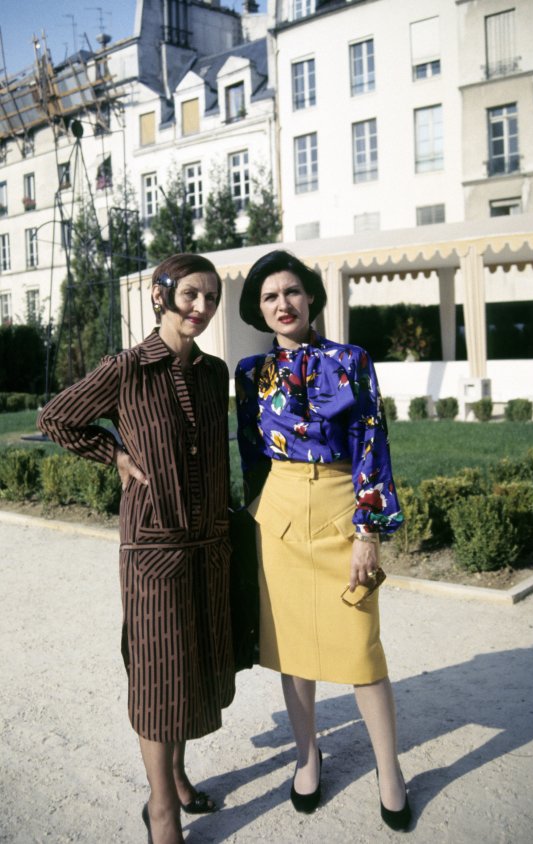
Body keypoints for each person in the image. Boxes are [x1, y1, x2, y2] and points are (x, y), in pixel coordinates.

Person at [39, 253, 234, 844]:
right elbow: (56, 418)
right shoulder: (125, 369)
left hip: (208, 549)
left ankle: (175, 777)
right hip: (152, 550)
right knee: (158, 679)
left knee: (193, 671)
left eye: (211, 298)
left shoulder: (213, 371)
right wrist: (115, 455)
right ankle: (161, 811)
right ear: (160, 295)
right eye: (191, 295)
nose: (201, 307)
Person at [235, 250, 411, 831]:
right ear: (259, 310)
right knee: (293, 653)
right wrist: (256, 512)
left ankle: (390, 771)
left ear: (310, 297)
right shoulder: (249, 373)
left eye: (291, 292)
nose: (282, 304)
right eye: (269, 297)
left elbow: (370, 441)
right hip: (279, 517)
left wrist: (369, 532)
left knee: (362, 649)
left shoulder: (352, 360)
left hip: (342, 513)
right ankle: (306, 757)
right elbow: (250, 454)